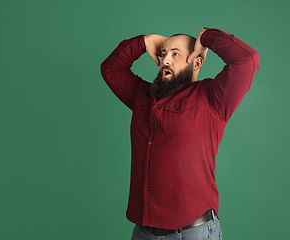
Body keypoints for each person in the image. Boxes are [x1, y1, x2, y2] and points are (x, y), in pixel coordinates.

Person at [100, 27, 259, 240]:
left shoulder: (213, 99)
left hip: (193, 233)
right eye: (164, 53)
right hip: (143, 233)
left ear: (196, 62)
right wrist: (143, 42)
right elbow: (111, 69)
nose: (166, 60)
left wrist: (207, 38)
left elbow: (246, 60)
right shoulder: (142, 96)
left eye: (175, 54)